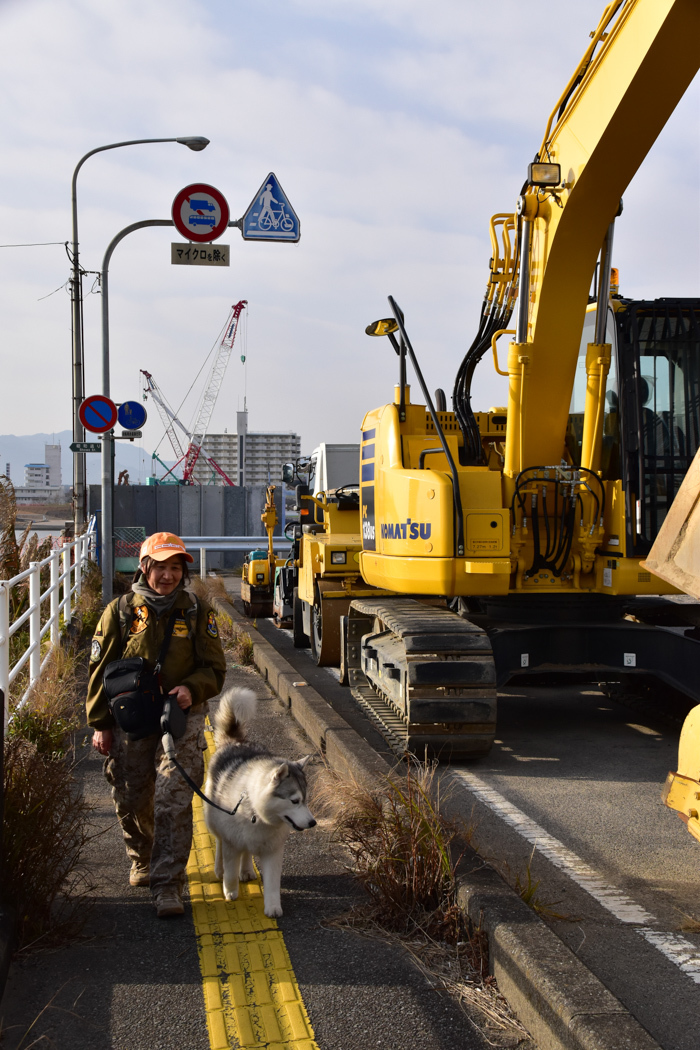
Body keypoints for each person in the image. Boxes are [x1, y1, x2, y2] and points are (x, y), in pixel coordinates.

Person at [86, 532, 226, 918]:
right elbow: (99, 671)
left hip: (179, 716)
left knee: (172, 797)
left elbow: (215, 670)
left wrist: (191, 689)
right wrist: (101, 724)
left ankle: (168, 883)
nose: (168, 576)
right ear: (144, 568)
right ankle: (142, 857)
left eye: (175, 568)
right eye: (160, 567)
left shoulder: (197, 612)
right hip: (131, 717)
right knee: (131, 795)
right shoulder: (121, 611)